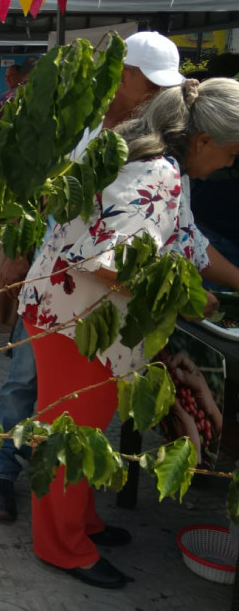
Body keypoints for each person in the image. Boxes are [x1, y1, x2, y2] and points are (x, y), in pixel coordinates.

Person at [17, 78, 239, 589]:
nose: (230, 165)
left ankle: (81, 523)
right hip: (73, 320)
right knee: (70, 435)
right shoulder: (157, 172)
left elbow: (190, 244)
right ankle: (61, 546)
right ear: (204, 141)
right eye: (230, 154)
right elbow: (108, 262)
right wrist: (183, 296)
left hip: (82, 316)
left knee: (84, 428)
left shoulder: (169, 170)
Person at [0, 30, 188, 524]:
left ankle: (50, 493)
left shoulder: (145, 140)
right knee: (24, 379)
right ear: (124, 74)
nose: (158, 95)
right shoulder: (78, 124)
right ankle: (4, 469)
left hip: (82, 289)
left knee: (62, 403)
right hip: (52, 277)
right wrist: (11, 254)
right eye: (150, 84)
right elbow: (34, 190)